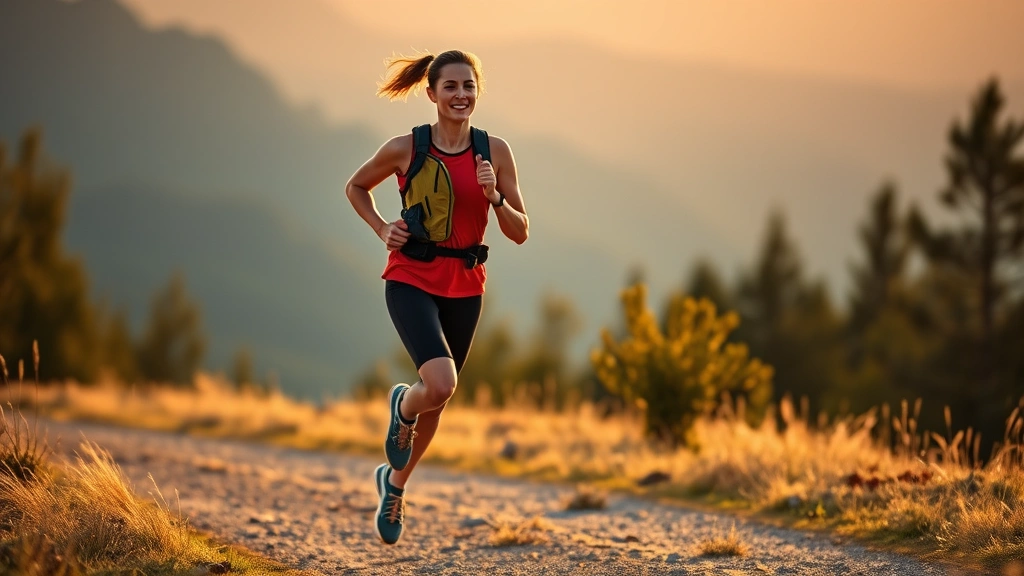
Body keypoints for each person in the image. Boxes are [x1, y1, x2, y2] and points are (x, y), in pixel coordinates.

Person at [344, 49, 529, 545]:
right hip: (411, 276)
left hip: (465, 284)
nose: (460, 95)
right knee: (441, 383)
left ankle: (394, 485)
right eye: (450, 86)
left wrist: (495, 198)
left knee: (440, 400)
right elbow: (356, 186)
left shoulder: (495, 152)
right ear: (431, 93)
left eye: (469, 86)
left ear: (477, 92)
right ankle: (403, 406)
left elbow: (520, 231)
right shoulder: (406, 148)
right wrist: (381, 227)